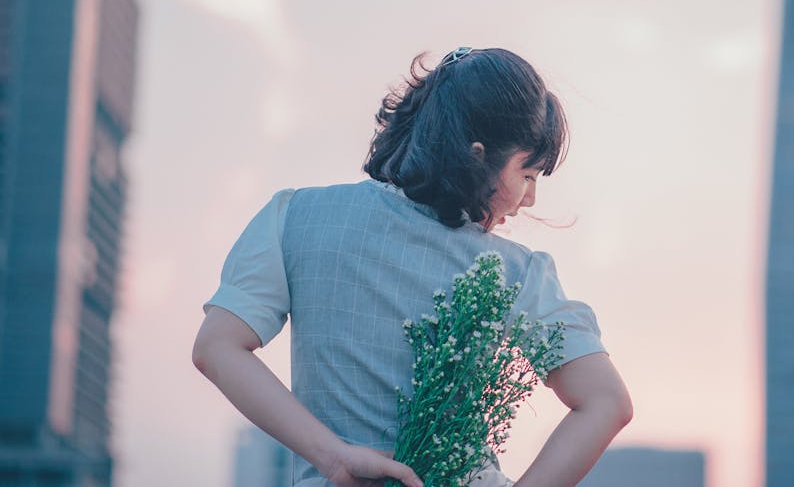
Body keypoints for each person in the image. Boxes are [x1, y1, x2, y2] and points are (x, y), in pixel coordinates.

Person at [192, 47, 632, 487]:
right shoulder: (514, 270)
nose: (529, 199)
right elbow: (607, 402)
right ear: (477, 155)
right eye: (528, 174)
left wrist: (334, 458)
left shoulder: (294, 217)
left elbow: (217, 348)